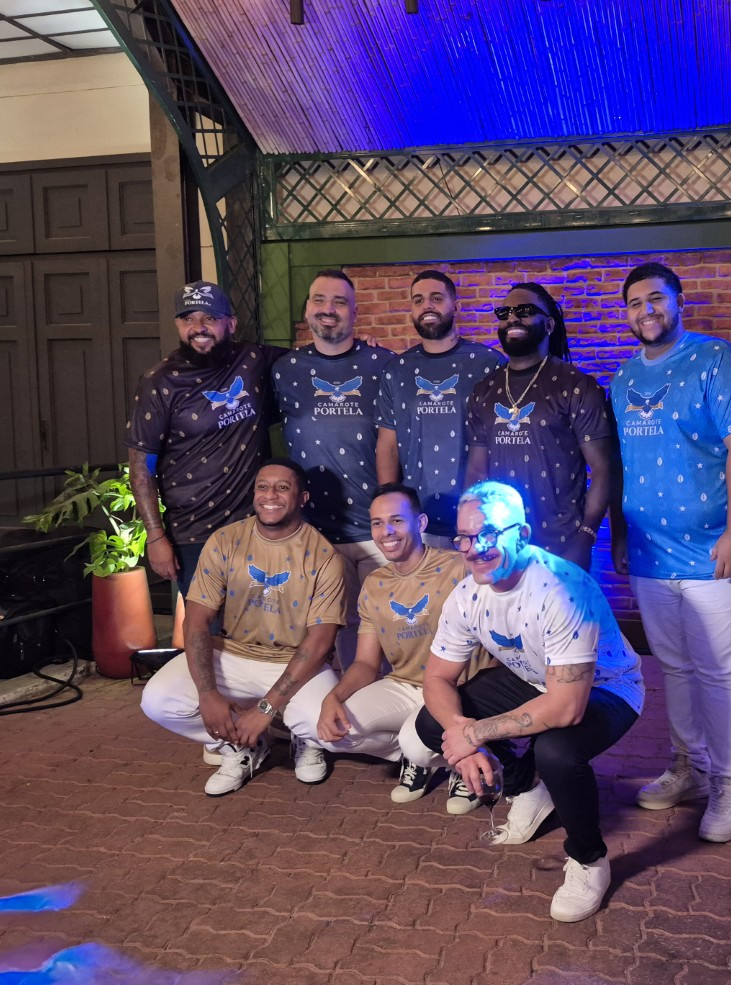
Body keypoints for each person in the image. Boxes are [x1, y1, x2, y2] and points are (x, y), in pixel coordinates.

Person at [406, 482, 644, 922]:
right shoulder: (467, 595)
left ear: (523, 534)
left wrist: (474, 735)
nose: (474, 549)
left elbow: (567, 708)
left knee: (556, 752)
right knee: (431, 723)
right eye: (464, 537)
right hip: (535, 679)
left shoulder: (561, 589)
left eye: (488, 534)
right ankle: (527, 791)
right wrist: (461, 735)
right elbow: (437, 677)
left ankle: (589, 859)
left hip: (608, 688)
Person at [609, 262, 731, 844]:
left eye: (656, 298)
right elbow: (623, 464)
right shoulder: (624, 378)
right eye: (634, 303)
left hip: (713, 552)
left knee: (722, 673)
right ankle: (690, 767)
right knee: (674, 668)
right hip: (651, 553)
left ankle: (730, 782)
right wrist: (621, 533)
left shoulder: (717, 360)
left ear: (678, 301)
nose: (646, 310)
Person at [141, 458, 348, 796]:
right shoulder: (226, 541)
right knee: (158, 700)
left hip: (294, 660)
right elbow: (196, 620)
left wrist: (265, 709)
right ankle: (242, 746)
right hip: (232, 652)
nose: (270, 495)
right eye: (262, 487)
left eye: (283, 488)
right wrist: (207, 694)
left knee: (323, 725)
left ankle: (303, 740)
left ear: (302, 498)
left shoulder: (324, 555)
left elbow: (320, 640)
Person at [125, 282, 288, 637]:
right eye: (188, 318)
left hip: (257, 528)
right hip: (194, 535)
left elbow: (312, 361)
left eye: (209, 318)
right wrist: (155, 537)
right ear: (177, 324)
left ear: (231, 323)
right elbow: (140, 468)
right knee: (209, 634)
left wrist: (361, 347)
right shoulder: (159, 381)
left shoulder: (254, 360)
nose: (198, 327)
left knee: (266, 630)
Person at [312, 483, 489, 809]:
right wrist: (333, 697)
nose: (386, 532)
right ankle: (423, 754)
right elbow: (366, 664)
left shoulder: (459, 566)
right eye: (377, 523)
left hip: (458, 687)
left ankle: (463, 760)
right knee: (334, 731)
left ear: (420, 523)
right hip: (405, 685)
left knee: (413, 739)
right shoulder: (374, 584)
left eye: (396, 520)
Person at [272, 270, 399, 664]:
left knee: (392, 628)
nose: (328, 309)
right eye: (319, 300)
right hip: (315, 533)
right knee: (334, 631)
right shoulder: (283, 369)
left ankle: (391, 702)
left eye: (339, 302)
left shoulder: (384, 364)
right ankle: (346, 701)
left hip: (379, 530)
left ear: (355, 312)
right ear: (306, 310)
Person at [464, 283, 613, 568]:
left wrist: (585, 539)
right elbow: (477, 471)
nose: (512, 317)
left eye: (524, 310)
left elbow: (603, 469)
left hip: (563, 548)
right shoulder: (484, 391)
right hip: (501, 546)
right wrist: (475, 534)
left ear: (549, 324)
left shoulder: (577, 386)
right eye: (504, 312)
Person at [377, 271, 505, 546]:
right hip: (416, 521)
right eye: (418, 300)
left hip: (479, 520)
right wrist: (390, 511)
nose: (427, 306)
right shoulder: (396, 370)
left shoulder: (488, 364)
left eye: (436, 298)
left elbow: (503, 443)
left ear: (456, 306)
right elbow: (388, 446)